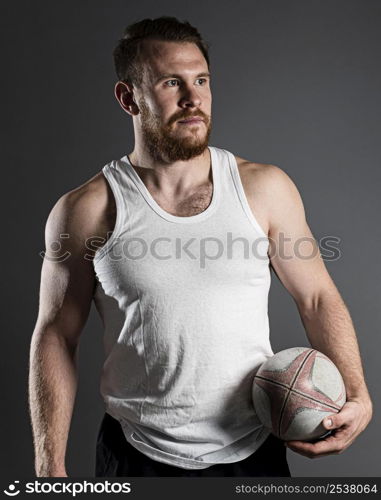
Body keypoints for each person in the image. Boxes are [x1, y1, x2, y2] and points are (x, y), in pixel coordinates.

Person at [28, 16, 372, 478]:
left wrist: (357, 393)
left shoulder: (264, 188)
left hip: (253, 451)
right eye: (173, 82)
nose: (194, 99)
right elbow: (56, 334)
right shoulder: (86, 210)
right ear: (129, 97)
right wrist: (49, 467)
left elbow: (316, 298)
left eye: (202, 80)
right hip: (136, 455)